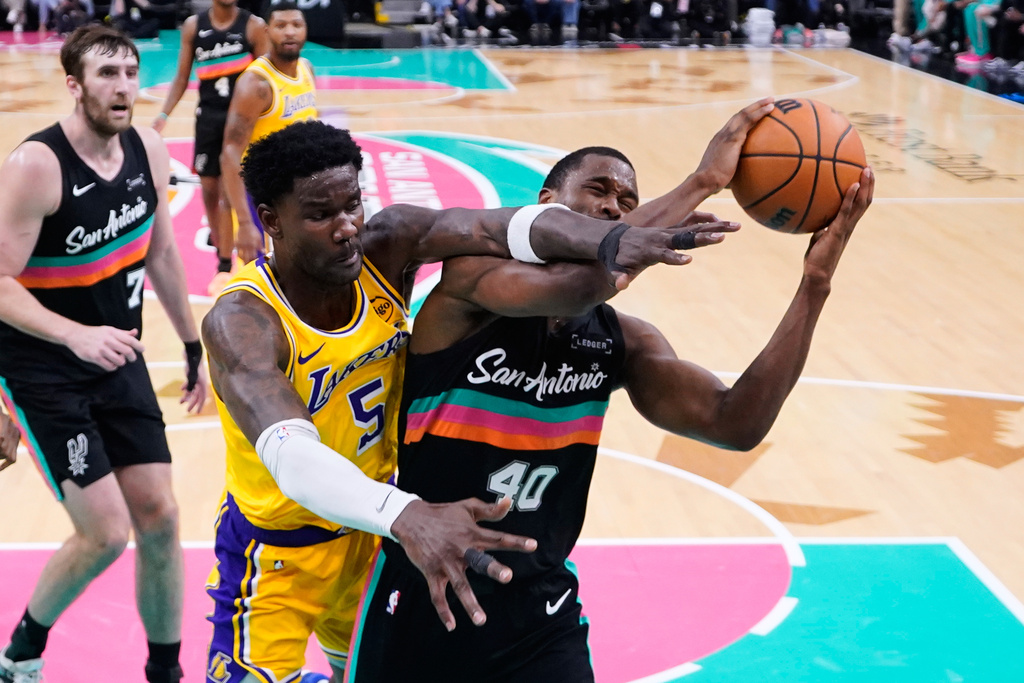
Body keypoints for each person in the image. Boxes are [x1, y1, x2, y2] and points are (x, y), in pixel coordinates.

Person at [346, 103, 875, 682]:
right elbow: (575, 286)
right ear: (546, 204)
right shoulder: (470, 283)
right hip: (424, 596)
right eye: (597, 191)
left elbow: (735, 424)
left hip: (539, 618)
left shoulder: (624, 343)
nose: (613, 208)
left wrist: (814, 286)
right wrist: (701, 183)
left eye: (626, 203)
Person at [200, 119, 716, 683]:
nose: (348, 227)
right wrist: (406, 513)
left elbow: (506, 229)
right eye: (322, 215)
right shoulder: (242, 321)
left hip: (376, 543)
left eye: (354, 204)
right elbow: (294, 461)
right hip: (281, 553)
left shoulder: (386, 245)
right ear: (271, 220)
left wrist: (612, 238)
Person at [0, 25, 208, 683]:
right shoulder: (37, 166)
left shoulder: (147, 147)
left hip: (116, 353)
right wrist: (72, 334)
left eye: (129, 73)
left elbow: (165, 253)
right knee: (105, 532)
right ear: (74, 84)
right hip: (45, 366)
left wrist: (192, 341)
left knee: (161, 515)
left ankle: (165, 669)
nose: (122, 88)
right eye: (106, 75)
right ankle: (20, 654)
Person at [152, 0, 268, 295]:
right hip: (208, 119)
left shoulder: (253, 26)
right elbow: (181, 76)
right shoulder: (194, 26)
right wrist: (164, 115)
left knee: (230, 194)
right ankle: (222, 246)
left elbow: (269, 78)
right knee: (209, 191)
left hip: (240, 123)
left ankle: (225, 264)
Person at [220, 0, 316, 266]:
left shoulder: (307, 70)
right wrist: (244, 222)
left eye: (296, 25)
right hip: (262, 197)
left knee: (300, 274)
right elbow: (230, 152)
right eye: (281, 25)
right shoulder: (256, 84)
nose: (289, 32)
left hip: (297, 192)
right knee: (263, 284)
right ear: (266, 31)